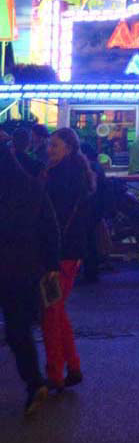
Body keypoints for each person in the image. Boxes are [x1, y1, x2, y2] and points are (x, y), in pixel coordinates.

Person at [0, 141, 61, 415]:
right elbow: (50, 228)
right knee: (18, 330)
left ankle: (35, 383)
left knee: (17, 329)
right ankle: (34, 382)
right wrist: (50, 264)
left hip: (12, 268)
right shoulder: (32, 188)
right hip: (22, 270)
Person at [43, 128, 96, 390]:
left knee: (51, 311)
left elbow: (52, 218)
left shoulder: (59, 177)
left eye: (55, 145)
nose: (49, 150)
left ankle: (55, 372)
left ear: (68, 148)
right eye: (49, 145)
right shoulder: (75, 174)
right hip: (70, 251)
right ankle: (71, 366)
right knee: (57, 309)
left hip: (59, 253)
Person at [79, 141, 109, 283]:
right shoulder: (97, 166)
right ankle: (92, 269)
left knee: (88, 240)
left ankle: (89, 270)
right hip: (96, 208)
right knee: (92, 239)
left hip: (89, 208)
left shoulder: (88, 167)